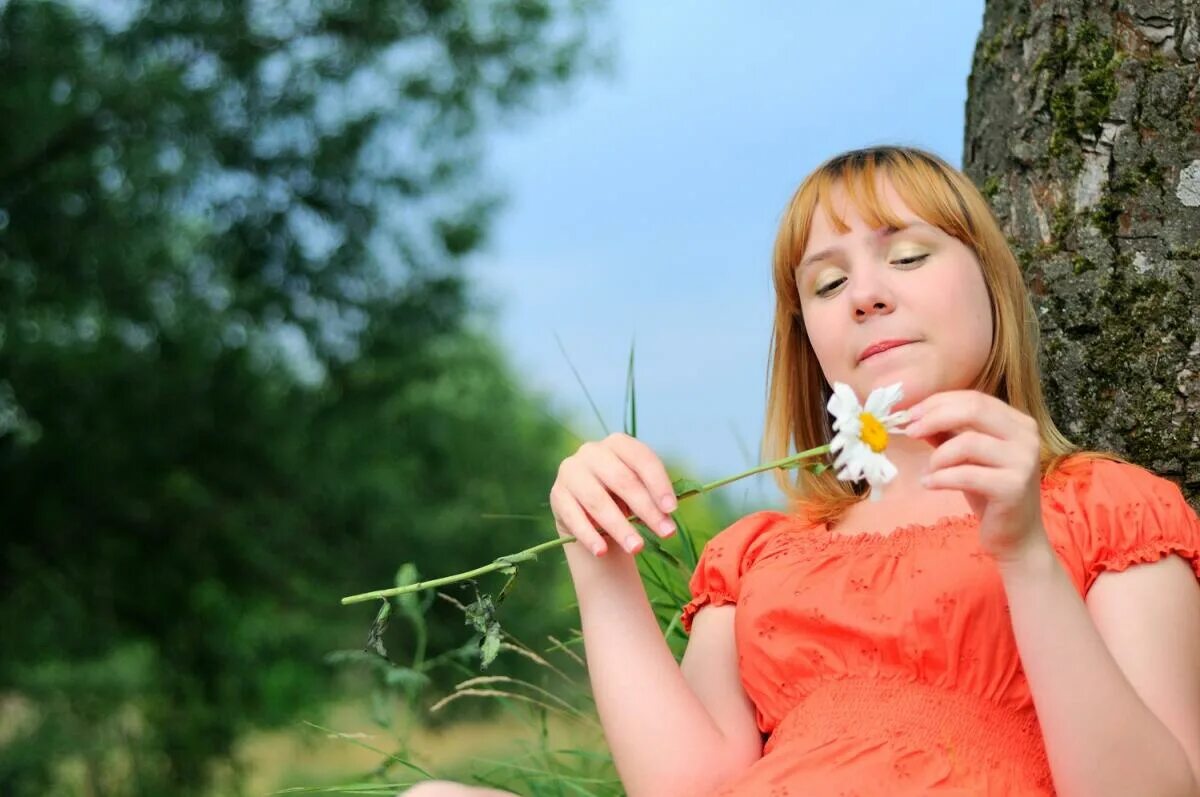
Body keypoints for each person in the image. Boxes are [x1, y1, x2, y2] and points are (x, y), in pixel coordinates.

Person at [402, 146, 1200, 796]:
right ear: (808, 341)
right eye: (828, 283)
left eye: (909, 254)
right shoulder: (760, 557)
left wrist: (1026, 555)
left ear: (994, 280)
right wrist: (600, 558)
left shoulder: (1106, 509)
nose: (865, 296)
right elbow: (689, 786)